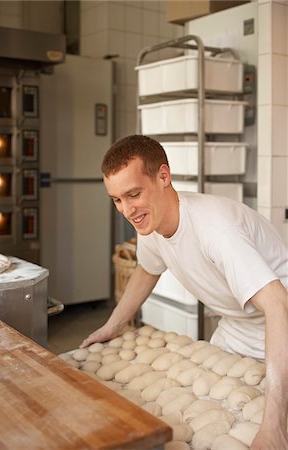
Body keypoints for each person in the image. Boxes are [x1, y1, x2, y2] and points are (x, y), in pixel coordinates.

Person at [80, 134, 288, 450]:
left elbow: (278, 306)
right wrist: (113, 325)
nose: (127, 210)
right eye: (117, 200)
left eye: (133, 194)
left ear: (164, 176)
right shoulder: (151, 221)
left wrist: (275, 426)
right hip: (238, 329)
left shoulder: (217, 229)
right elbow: (147, 270)